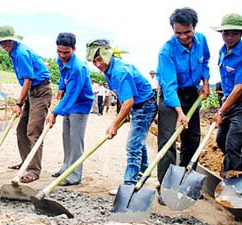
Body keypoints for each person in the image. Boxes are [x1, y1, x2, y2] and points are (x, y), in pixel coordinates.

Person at [86, 39, 157, 193]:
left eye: (99, 59)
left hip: (145, 106)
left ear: (108, 55)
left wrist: (114, 124)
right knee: (138, 141)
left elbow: (129, 101)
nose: (97, 64)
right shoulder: (108, 70)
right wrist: (123, 117)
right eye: (94, 61)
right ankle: (143, 171)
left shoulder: (120, 71)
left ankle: (129, 184)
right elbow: (124, 99)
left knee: (132, 146)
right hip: (138, 106)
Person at [156, 7, 210, 205]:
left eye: (187, 32)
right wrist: (179, 112)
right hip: (171, 98)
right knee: (168, 142)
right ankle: (165, 187)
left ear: (194, 28)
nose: (183, 37)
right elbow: (169, 86)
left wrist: (205, 82)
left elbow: (205, 62)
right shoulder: (166, 51)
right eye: (178, 33)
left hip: (191, 94)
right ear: (173, 30)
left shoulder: (202, 40)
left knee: (192, 139)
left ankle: (185, 184)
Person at [0, 24, 53, 183]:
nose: (4, 45)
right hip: (31, 92)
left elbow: (28, 79)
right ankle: (26, 160)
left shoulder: (20, 53)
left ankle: (34, 169)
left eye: (6, 41)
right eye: (1, 42)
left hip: (40, 91)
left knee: (33, 130)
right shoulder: (13, 52)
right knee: (21, 130)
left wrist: (19, 103)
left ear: (13, 40)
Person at [46, 32, 93, 186]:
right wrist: (60, 88)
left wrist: (54, 112)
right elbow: (62, 77)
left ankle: (74, 175)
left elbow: (72, 94)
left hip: (80, 104)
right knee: (66, 137)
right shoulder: (61, 61)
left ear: (74, 49)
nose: (62, 55)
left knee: (75, 140)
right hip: (69, 102)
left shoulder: (78, 68)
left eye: (66, 52)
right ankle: (65, 168)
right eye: (59, 51)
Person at [211, 13, 242, 177]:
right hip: (230, 103)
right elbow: (227, 80)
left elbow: (239, 88)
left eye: (234, 33)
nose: (229, 37)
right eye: (226, 33)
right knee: (221, 140)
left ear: (240, 34)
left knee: (233, 144)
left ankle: (234, 183)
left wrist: (221, 111)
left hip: (241, 107)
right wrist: (225, 96)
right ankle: (234, 169)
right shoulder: (223, 52)